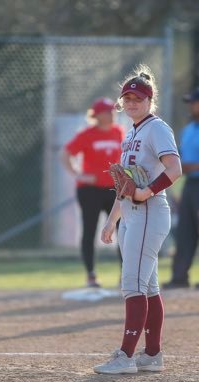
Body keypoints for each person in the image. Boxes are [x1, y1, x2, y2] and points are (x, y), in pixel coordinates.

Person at [93, 65, 182, 374]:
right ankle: (152, 355)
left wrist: (147, 192)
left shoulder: (156, 128)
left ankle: (126, 356)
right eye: (127, 98)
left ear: (150, 99)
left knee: (132, 284)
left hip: (149, 212)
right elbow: (125, 184)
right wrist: (112, 220)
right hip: (133, 214)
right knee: (148, 287)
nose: (131, 103)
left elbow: (174, 168)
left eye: (138, 98)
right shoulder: (131, 132)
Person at [61, 97, 124, 288]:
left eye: (113, 110)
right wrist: (78, 175)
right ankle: (91, 275)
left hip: (114, 189)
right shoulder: (87, 134)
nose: (112, 114)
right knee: (89, 230)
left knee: (124, 231)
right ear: (98, 115)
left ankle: (125, 274)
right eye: (107, 111)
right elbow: (65, 154)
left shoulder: (118, 132)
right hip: (90, 191)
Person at [163, 87, 199, 290]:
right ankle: (179, 277)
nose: (191, 106)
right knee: (185, 231)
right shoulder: (188, 129)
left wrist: (194, 166)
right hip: (189, 184)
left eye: (195, 102)